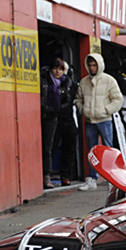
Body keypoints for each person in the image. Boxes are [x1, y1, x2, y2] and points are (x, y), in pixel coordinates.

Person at [75, 53, 122, 191]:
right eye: (89, 65)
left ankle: (112, 180)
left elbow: (117, 99)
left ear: (99, 65)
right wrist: (83, 110)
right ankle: (92, 179)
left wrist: (106, 110)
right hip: (90, 120)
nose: (92, 67)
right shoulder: (84, 82)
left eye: (94, 65)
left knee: (108, 149)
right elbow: (78, 99)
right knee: (92, 151)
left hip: (104, 120)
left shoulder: (109, 81)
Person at [40, 57, 78, 188]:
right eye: (56, 68)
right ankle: (45, 176)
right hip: (44, 117)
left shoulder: (67, 83)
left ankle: (58, 176)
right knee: (48, 148)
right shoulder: (43, 80)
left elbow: (69, 100)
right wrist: (47, 108)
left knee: (61, 148)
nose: (58, 71)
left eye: (61, 69)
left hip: (58, 118)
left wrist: (58, 109)